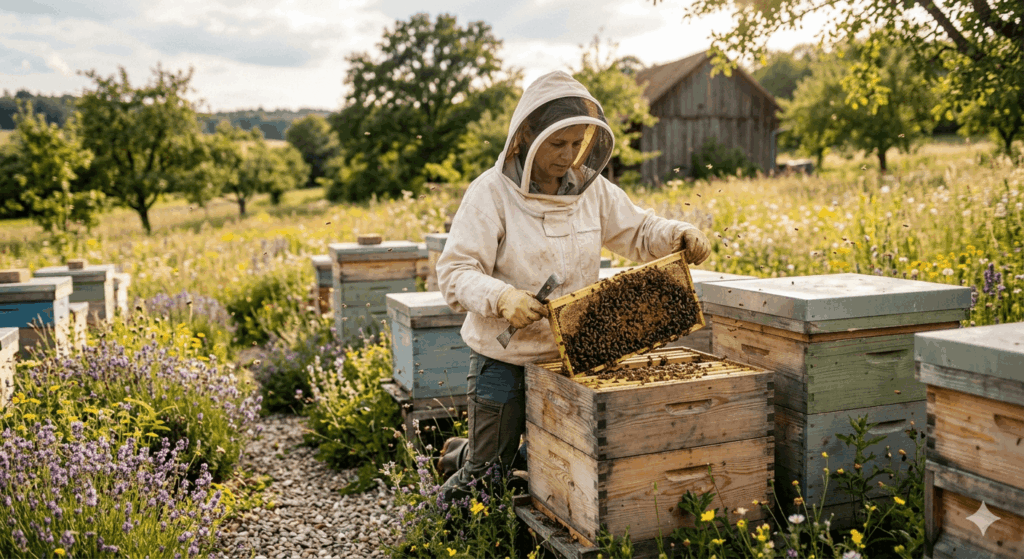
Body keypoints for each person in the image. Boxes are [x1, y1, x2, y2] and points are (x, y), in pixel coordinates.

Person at [435, 70, 711, 498]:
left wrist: (677, 234)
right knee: (485, 480)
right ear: (526, 135)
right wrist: (502, 297)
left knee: (567, 453)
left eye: (577, 142)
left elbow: (639, 231)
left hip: (575, 357)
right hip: (505, 357)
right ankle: (439, 518)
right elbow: (454, 273)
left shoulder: (592, 190)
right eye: (557, 144)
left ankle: (471, 448)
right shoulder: (490, 194)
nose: (568, 156)